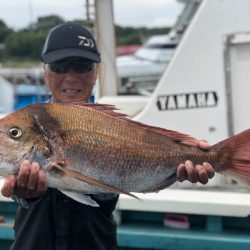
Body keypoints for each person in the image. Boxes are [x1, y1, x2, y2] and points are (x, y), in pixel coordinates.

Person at [1, 23, 214, 250]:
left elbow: (115, 184)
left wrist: (186, 156)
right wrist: (26, 195)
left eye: (82, 66)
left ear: (96, 72)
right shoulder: (30, 119)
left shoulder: (111, 126)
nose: (71, 77)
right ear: (46, 72)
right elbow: (17, 189)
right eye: (59, 66)